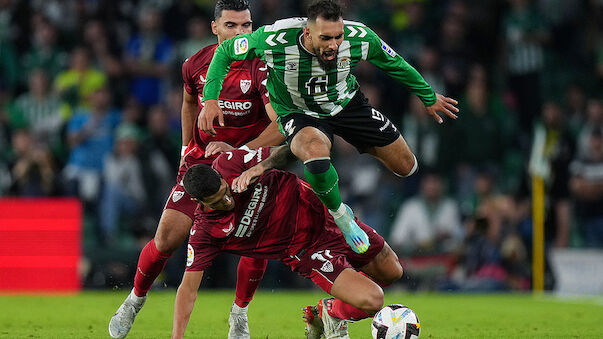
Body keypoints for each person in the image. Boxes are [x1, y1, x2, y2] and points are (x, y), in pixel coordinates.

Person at [199, 0, 459, 255]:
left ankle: (345, 149)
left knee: (407, 166)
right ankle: (341, 216)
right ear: (307, 33)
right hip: (299, 112)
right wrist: (211, 99)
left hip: (347, 105)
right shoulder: (273, 39)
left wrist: (428, 96)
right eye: (325, 38)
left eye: (338, 37)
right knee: (314, 151)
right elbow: (224, 52)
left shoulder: (360, 37)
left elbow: (394, 63)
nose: (334, 45)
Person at [109, 1, 284, 338]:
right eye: (231, 26)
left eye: (246, 26)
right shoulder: (195, 64)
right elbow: (189, 102)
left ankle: (239, 314)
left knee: (256, 241)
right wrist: (186, 146)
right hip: (203, 163)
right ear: (214, 27)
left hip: (249, 163)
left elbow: (279, 126)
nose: (241, 33)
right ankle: (134, 299)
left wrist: (239, 152)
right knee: (166, 239)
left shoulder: (263, 66)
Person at [172, 145, 404, 339]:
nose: (228, 200)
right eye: (218, 201)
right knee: (374, 300)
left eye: (225, 191)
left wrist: (261, 166)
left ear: (221, 177)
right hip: (307, 251)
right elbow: (188, 289)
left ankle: (336, 304)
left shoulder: (232, 162)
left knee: (393, 272)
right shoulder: (205, 232)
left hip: (329, 217)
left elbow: (293, 150)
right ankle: (330, 310)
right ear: (197, 201)